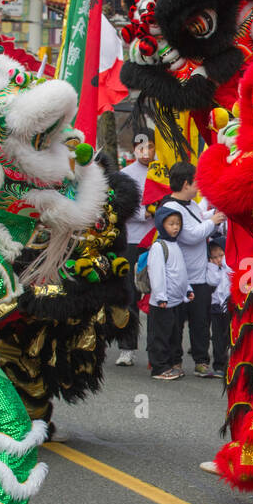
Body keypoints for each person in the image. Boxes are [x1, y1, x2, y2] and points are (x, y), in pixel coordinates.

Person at [157, 162, 224, 377]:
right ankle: (175, 361)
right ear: (186, 184)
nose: (199, 187)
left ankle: (201, 361)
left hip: (200, 274)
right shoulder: (171, 208)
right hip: (180, 277)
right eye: (197, 182)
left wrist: (211, 217)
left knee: (201, 322)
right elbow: (191, 234)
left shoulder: (191, 205)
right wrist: (213, 222)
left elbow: (199, 222)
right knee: (177, 322)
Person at [115, 132, 157, 367]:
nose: (146, 152)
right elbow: (120, 209)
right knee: (131, 294)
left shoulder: (162, 172)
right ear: (134, 149)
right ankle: (127, 348)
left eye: (150, 147)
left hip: (158, 242)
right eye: (141, 148)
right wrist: (147, 212)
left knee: (156, 294)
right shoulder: (124, 175)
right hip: (133, 242)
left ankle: (157, 352)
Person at [146, 208, 191, 380]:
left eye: (178, 224)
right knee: (160, 336)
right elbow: (157, 274)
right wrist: (160, 296)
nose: (176, 227)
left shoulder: (175, 245)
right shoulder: (159, 246)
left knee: (173, 335)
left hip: (176, 301)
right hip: (162, 302)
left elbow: (181, 272)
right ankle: (159, 367)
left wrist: (188, 290)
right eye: (171, 224)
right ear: (161, 224)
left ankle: (171, 363)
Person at [204, 240, 232, 380]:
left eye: (221, 255)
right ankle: (219, 366)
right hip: (216, 307)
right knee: (217, 338)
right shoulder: (212, 268)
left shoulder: (230, 267)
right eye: (214, 257)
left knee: (231, 337)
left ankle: (232, 365)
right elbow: (212, 281)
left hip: (229, 306)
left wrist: (225, 265)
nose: (218, 259)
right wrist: (213, 267)